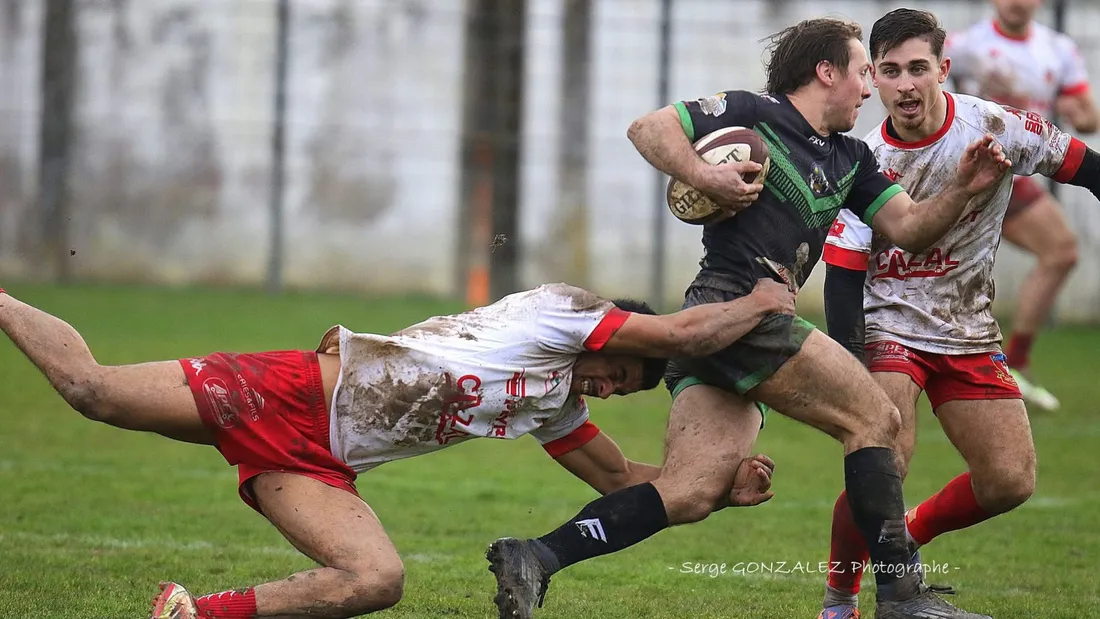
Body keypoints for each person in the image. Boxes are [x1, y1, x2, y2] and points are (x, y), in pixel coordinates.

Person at [486, 16, 1012, 619]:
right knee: (877, 419)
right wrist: (704, 175)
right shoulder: (753, 112)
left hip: (718, 327)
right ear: (827, 72)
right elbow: (649, 128)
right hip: (736, 304)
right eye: (865, 73)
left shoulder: (852, 158)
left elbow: (911, 228)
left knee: (689, 491)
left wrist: (965, 188)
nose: (871, 89)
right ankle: (901, 596)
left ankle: (536, 557)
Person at [0, 280, 792, 619]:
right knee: (91, 390)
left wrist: (717, 485)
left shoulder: (556, 400)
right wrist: (762, 301)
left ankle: (191, 612)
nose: (611, 387)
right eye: (619, 371)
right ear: (611, 333)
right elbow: (683, 333)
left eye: (622, 387)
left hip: (317, 461)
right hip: (288, 391)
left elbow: (621, 477)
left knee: (376, 579)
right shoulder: (563, 313)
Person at [819, 8, 1100, 619]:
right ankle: (838, 600)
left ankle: (905, 536)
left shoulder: (994, 125)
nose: (905, 85)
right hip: (887, 324)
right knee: (882, 457)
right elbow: (841, 277)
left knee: (1009, 481)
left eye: (918, 68)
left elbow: (1085, 167)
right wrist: (849, 366)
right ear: (874, 77)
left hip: (968, 326)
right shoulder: (862, 164)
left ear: (943, 69)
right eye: (889, 71)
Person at [944, 0, 1099, 410]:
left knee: (1059, 252)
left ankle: (1003, 361)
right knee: (1060, 250)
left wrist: (1076, 113)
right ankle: (1009, 362)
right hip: (981, 163)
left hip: (1026, 168)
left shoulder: (1058, 49)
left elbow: (1088, 118)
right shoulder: (964, 45)